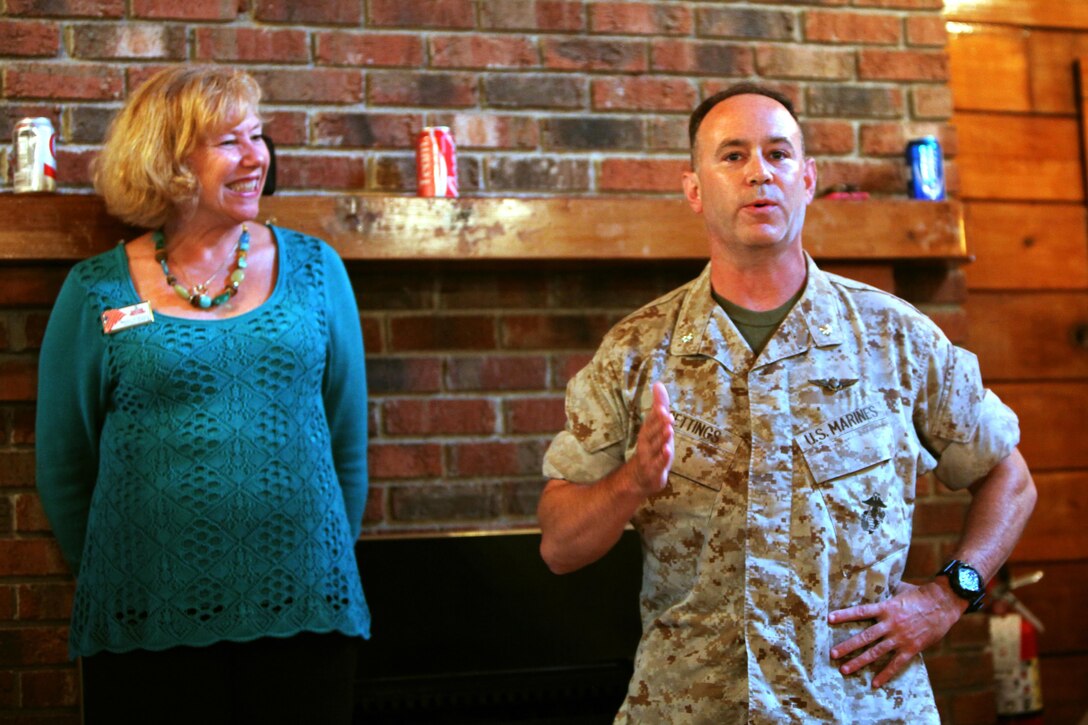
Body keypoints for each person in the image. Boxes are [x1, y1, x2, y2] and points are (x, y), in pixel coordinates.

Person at [537, 83, 1037, 723]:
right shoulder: (636, 353)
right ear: (694, 190)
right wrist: (632, 482)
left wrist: (948, 596)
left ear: (807, 179)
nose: (759, 174)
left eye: (778, 155)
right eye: (733, 156)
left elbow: (1010, 480)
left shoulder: (895, 337)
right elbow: (558, 545)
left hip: (860, 709)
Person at [35, 66, 370, 724]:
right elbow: (64, 464)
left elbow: (347, 443)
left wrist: (311, 552)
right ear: (169, 163)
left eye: (257, 136)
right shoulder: (95, 290)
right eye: (229, 142)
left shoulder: (315, 269)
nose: (257, 157)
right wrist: (134, 562)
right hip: (147, 617)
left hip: (303, 608)